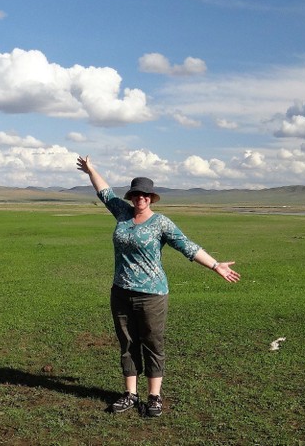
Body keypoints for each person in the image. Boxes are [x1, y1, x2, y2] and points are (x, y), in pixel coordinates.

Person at [76, 155, 241, 418]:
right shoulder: (122, 213)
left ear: (151, 198)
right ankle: (130, 394)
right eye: (136, 194)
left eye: (145, 195)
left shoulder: (161, 222)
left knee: (152, 342)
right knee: (127, 342)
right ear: (131, 196)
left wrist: (215, 265)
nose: (140, 198)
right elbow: (105, 192)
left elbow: (187, 246)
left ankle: (154, 396)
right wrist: (91, 170)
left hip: (152, 294)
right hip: (120, 291)